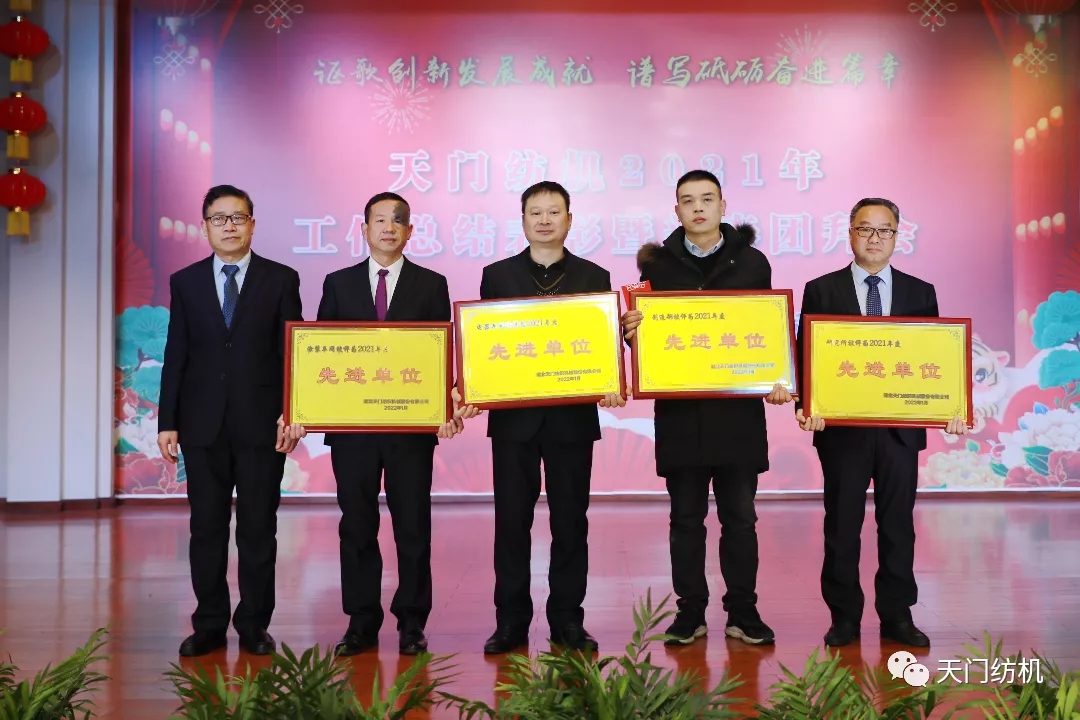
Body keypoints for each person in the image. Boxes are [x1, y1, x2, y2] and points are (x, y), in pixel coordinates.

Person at [620, 169, 789, 647]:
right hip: (681, 416)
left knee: (741, 519)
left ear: (722, 206)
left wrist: (778, 375)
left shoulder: (752, 263)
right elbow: (649, 344)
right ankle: (689, 612)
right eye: (688, 200)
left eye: (707, 199)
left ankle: (743, 611)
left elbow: (767, 331)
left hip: (737, 417)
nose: (698, 207)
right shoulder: (658, 268)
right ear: (676, 210)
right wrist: (631, 332)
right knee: (685, 521)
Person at [794, 197, 968, 648]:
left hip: (900, 433)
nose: (875, 238)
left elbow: (936, 358)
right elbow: (805, 354)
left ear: (897, 235)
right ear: (849, 233)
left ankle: (897, 616)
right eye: (865, 228)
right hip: (842, 432)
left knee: (897, 525)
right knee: (841, 525)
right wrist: (805, 404)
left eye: (884, 230)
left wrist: (949, 408)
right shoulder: (821, 289)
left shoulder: (920, 292)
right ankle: (844, 618)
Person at [465, 180, 625, 655]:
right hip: (513, 423)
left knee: (570, 523)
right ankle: (511, 621)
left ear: (569, 220)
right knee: (511, 524)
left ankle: (567, 620)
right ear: (522, 220)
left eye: (554, 212)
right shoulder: (497, 276)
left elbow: (601, 344)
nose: (545, 220)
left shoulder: (594, 275)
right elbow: (485, 344)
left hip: (571, 421)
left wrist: (612, 376)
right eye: (535, 212)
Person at [313, 191, 464, 657]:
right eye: (379, 220)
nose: (388, 227)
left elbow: (439, 354)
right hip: (353, 431)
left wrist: (443, 408)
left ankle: (412, 622)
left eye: (397, 221)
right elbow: (318, 355)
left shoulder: (431, 284)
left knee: (412, 525)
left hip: (409, 430)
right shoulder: (338, 283)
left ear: (410, 231)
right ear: (364, 229)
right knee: (357, 525)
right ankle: (361, 622)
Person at [157, 184, 305, 657]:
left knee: (258, 529)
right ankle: (209, 624)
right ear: (204, 227)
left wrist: (294, 414)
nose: (229, 226)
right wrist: (167, 420)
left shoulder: (281, 279)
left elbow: (292, 353)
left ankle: (254, 625)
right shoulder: (185, 281)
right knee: (206, 529)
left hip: (262, 426)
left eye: (238, 217)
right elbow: (176, 351)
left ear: (252, 224)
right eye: (219, 218)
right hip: (202, 426)